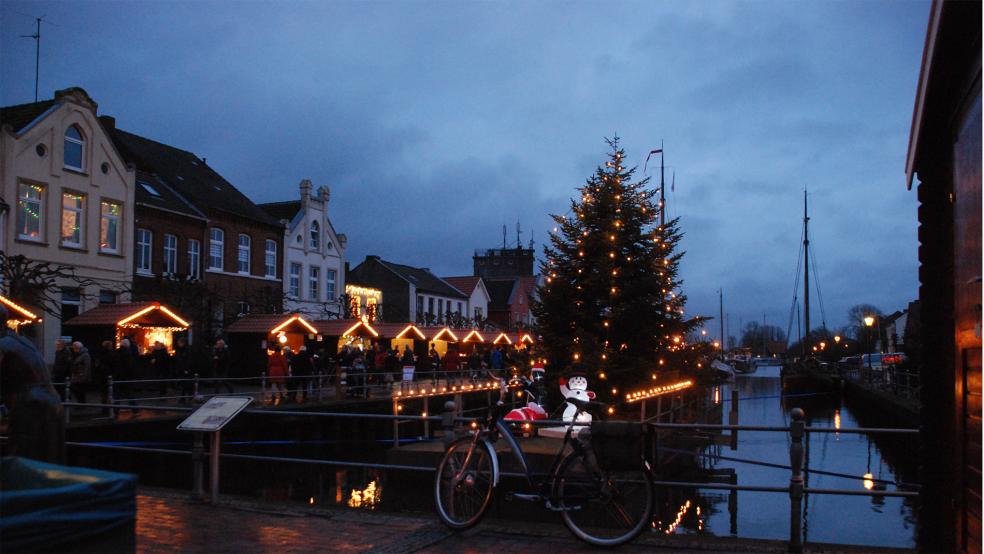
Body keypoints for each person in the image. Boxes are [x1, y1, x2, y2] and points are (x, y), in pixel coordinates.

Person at [0, 305, 65, 463]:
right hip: (51, 404)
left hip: (30, 406)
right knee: (46, 461)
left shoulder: (2, 345)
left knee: (24, 461)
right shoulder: (20, 340)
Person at [172, 337, 193, 403]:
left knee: (186, 383)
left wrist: (186, 369)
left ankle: (186, 397)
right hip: (181, 369)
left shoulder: (187, 350)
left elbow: (188, 360)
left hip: (185, 370)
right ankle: (185, 397)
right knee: (184, 383)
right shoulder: (179, 350)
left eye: (179, 343)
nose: (178, 344)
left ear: (182, 343)